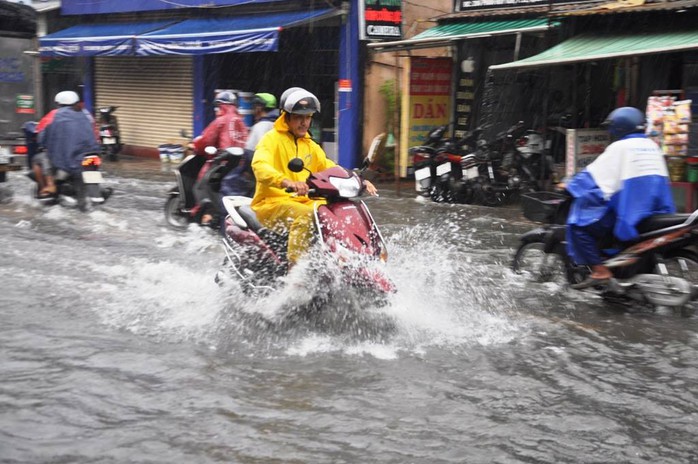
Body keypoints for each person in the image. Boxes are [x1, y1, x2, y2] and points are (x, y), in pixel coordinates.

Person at [250, 88, 377, 266]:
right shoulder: (271, 139)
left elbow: (329, 166)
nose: (304, 123)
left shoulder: (310, 145)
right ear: (285, 117)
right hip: (271, 203)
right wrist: (285, 181)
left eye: (308, 117)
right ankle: (295, 272)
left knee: (336, 212)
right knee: (308, 216)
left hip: (303, 200)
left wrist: (358, 180)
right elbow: (259, 166)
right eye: (298, 117)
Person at [564, 106, 675, 289]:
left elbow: (593, 176)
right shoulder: (652, 145)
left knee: (578, 226)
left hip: (631, 212)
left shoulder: (620, 147)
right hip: (657, 209)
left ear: (619, 127)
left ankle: (601, 271)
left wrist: (570, 186)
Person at [192, 90, 249, 225]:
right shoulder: (241, 122)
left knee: (200, 185)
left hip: (223, 163)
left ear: (221, 105)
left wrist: (196, 146)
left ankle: (202, 213)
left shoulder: (221, 120)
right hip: (240, 166)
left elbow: (205, 140)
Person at [41, 90, 101, 211]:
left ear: (59, 103)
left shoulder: (55, 116)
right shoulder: (86, 115)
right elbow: (95, 135)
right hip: (92, 157)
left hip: (70, 162)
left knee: (44, 159)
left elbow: (43, 137)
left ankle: (51, 189)